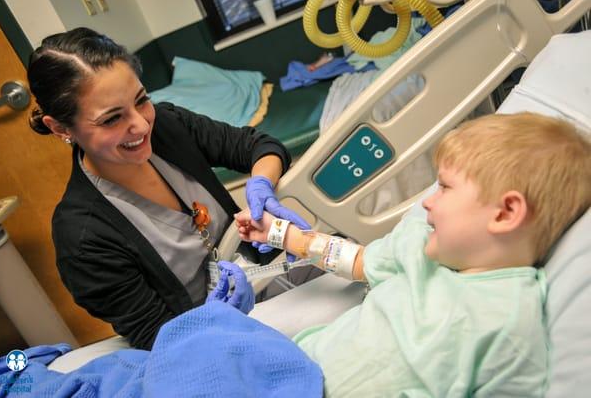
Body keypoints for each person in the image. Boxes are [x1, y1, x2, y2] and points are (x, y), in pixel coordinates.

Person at [235, 112, 591, 396]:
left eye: (446, 188)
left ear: (505, 213)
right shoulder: (420, 246)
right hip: (293, 369)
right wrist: (282, 234)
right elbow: (357, 261)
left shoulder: (511, 327)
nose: (427, 202)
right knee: (210, 334)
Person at [26, 27, 308, 350]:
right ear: (61, 128)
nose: (142, 124)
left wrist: (261, 185)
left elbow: (259, 146)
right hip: (214, 339)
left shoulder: (167, 126)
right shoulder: (82, 238)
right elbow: (158, 337)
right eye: (112, 119)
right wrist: (221, 316)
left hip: (273, 278)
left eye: (141, 100)